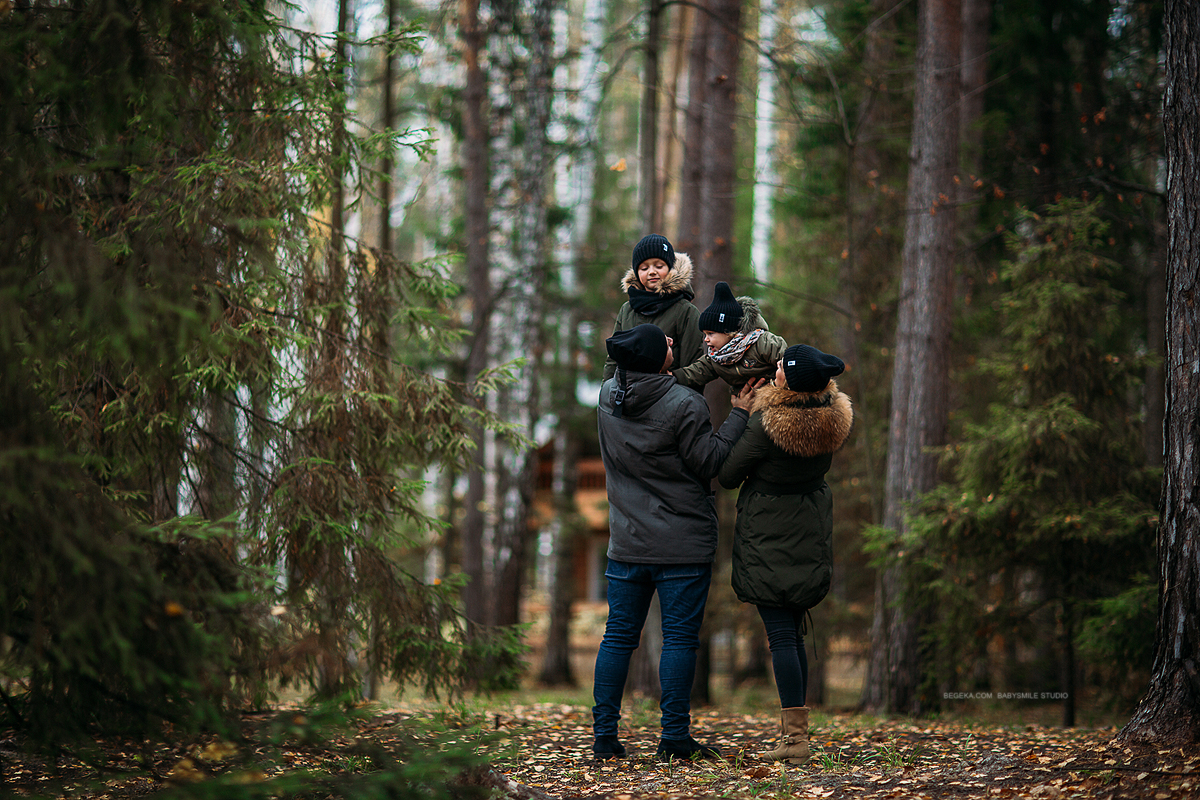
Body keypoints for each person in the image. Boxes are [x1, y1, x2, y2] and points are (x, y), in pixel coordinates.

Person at [593, 323, 755, 762]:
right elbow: (711, 461)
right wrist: (739, 412)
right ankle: (674, 739)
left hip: (626, 542)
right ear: (651, 359)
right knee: (680, 640)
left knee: (617, 638)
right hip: (681, 542)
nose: (672, 342)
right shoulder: (685, 402)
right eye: (663, 343)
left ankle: (604, 738)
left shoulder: (608, 395)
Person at [717, 344, 853, 764]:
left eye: (781, 367)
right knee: (791, 636)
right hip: (807, 534)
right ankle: (794, 736)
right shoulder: (831, 420)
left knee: (781, 638)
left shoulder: (767, 426)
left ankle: (796, 742)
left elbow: (726, 474)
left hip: (770, 540)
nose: (775, 369)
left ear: (789, 382)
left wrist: (741, 413)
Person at [602, 234, 705, 381]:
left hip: (669, 395)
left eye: (659, 266)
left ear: (670, 268)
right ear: (637, 273)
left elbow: (693, 363)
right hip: (629, 396)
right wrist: (607, 396)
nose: (651, 272)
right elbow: (613, 360)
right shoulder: (627, 310)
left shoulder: (686, 311)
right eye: (644, 268)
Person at [672, 281, 788, 394]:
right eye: (705, 334)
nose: (706, 339)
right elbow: (697, 372)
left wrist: (777, 386)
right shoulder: (716, 358)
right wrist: (672, 377)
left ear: (728, 332)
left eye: (711, 334)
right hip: (748, 404)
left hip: (777, 394)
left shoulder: (762, 343)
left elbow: (788, 360)